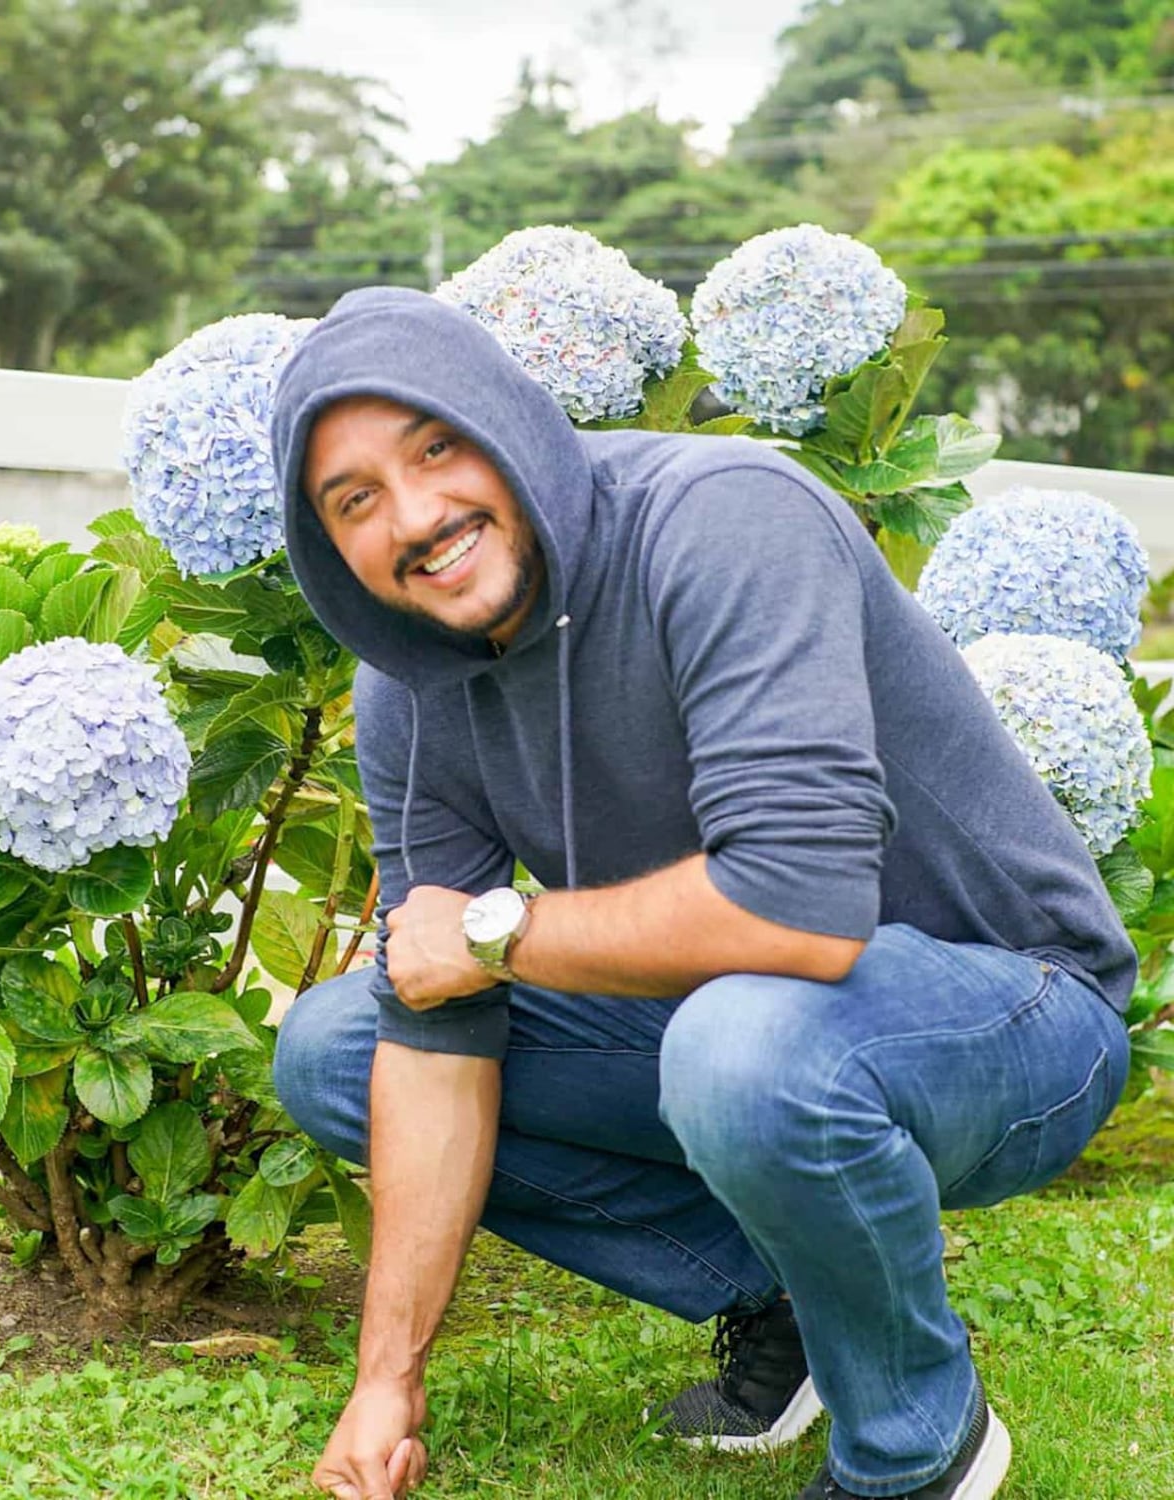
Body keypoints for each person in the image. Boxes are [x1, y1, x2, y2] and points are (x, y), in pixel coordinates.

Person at [270, 286, 1134, 1500]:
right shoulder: (410, 681)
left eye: (436, 446)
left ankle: (915, 1447)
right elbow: (435, 1020)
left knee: (745, 1043)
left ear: (510, 423)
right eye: (354, 500)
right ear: (328, 544)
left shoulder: (720, 523)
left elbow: (797, 910)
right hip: (736, 1014)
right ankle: (794, 1300)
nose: (416, 516)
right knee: (336, 1047)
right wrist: (384, 1379)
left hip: (1020, 1010)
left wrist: (496, 929)